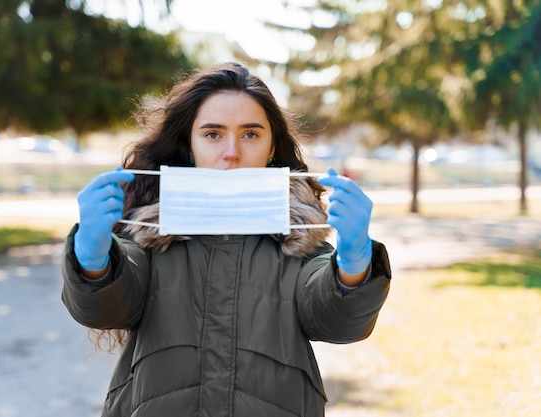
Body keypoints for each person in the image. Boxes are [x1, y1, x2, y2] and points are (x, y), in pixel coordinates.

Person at [61, 62, 391, 417]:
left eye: (250, 134)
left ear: (271, 148)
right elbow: (109, 307)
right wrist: (92, 253)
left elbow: (335, 322)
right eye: (212, 134)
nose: (231, 151)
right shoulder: (149, 235)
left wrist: (354, 261)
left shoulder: (300, 238)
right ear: (189, 145)